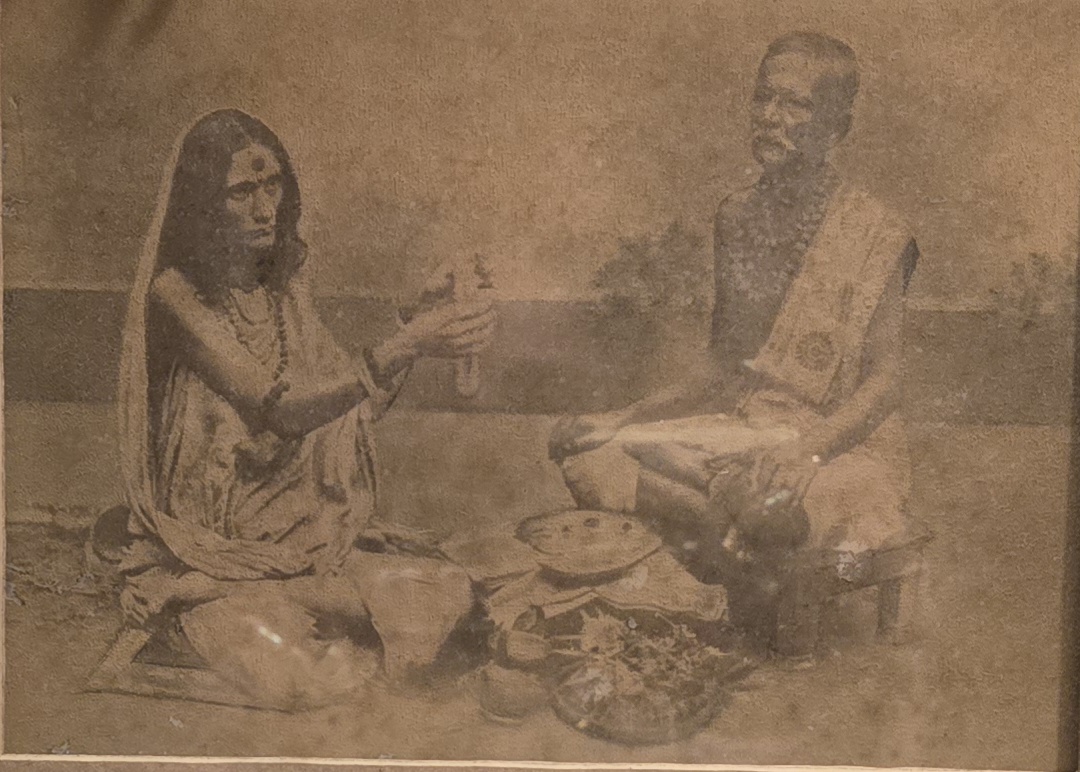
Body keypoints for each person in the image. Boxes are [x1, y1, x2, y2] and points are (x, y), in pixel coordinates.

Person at [548, 33, 919, 648]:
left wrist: (810, 454)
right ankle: (729, 547)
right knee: (588, 456)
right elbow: (724, 367)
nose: (771, 118)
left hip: (841, 449)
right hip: (747, 429)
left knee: (780, 504)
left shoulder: (878, 232)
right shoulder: (736, 216)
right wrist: (621, 419)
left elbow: (884, 384)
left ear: (837, 125)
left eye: (795, 105)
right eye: (763, 99)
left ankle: (721, 550)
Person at [117, 109, 496, 708]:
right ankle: (208, 583)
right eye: (241, 191)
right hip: (222, 533)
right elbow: (285, 414)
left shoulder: (284, 283)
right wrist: (411, 340)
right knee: (304, 680)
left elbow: (351, 415)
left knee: (452, 590)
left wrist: (412, 322)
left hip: (301, 527)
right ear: (202, 203)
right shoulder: (176, 294)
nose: (264, 207)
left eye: (273, 186)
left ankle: (215, 590)